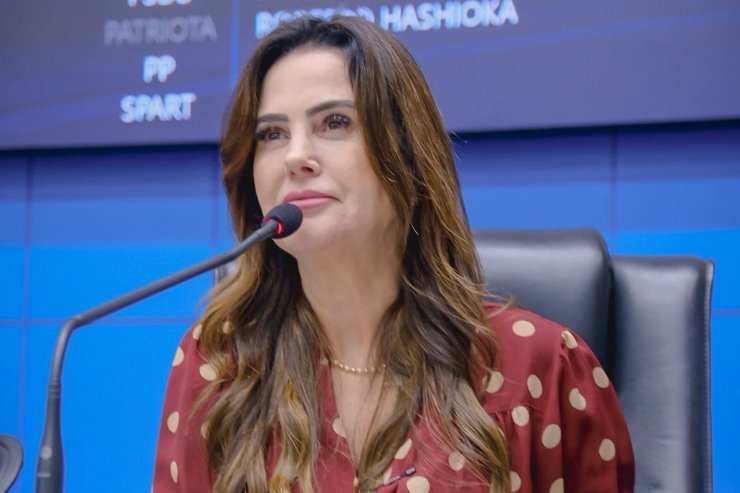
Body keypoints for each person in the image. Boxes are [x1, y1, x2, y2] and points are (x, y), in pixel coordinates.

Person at [153, 15, 634, 493]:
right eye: (272, 134)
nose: (295, 156)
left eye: (335, 122)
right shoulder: (218, 365)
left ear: (406, 153)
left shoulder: (540, 366)